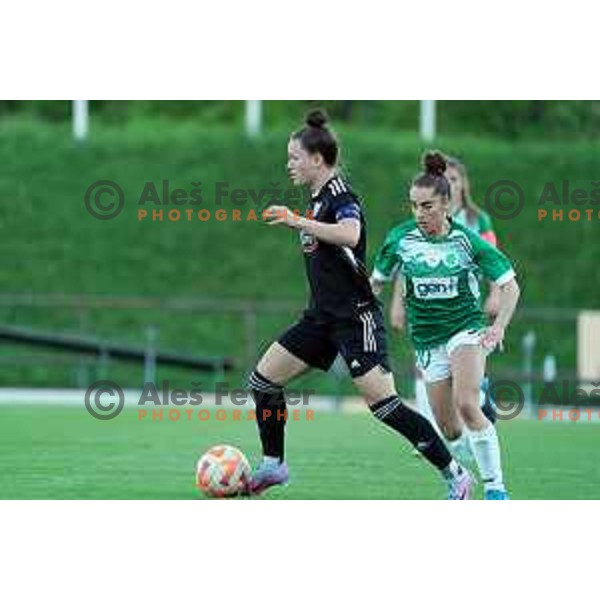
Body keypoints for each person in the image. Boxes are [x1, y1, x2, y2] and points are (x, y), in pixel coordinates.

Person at [246, 110, 472, 499]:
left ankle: (455, 474)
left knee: (384, 406)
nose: (289, 165)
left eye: (294, 157)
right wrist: (305, 219)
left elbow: (351, 234)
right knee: (263, 382)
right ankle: (274, 464)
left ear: (317, 159)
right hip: (320, 318)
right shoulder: (318, 200)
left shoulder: (339, 195)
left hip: (355, 318)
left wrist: (298, 222)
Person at [371, 152, 520, 499]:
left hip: (466, 329)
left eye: (427, 206)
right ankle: (464, 470)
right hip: (426, 340)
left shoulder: (468, 240)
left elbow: (511, 285)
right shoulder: (400, 239)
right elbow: (375, 283)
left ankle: (496, 489)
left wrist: (498, 326)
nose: (419, 214)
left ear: (446, 204)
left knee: (466, 404)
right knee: (450, 430)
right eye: (414, 206)